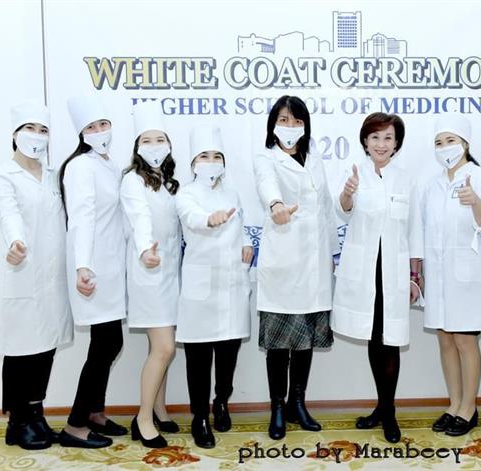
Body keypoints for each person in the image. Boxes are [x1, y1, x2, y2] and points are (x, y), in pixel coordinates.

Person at [332, 112, 423, 443]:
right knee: (374, 338)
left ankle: (388, 412)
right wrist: (348, 193)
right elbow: (342, 210)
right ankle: (382, 407)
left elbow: (415, 229)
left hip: (393, 271)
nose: (381, 144)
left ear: (396, 143)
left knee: (390, 340)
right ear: (365, 142)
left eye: (387, 138)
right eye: (375, 137)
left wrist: (415, 276)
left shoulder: (406, 179)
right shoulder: (353, 173)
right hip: (364, 272)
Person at [0, 100, 74, 450]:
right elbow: (7, 212)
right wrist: (16, 242)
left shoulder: (54, 176)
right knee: (21, 350)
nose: (37, 136)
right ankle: (17, 420)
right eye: (30, 129)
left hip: (54, 276)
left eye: (43, 130)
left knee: (46, 347)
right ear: (15, 134)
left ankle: (36, 415)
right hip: (24, 271)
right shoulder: (2, 174)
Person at [253, 95, 339, 440]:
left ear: (306, 126)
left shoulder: (314, 159)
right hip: (283, 263)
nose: (290, 127)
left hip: (315, 264)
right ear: (273, 124)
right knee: (279, 341)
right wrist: (276, 204)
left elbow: (326, 207)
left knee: (305, 340)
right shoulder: (266, 157)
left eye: (297, 121)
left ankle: (297, 403)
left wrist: (332, 253)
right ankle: (277, 406)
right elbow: (266, 185)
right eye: (284, 120)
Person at [421, 114, 481, 436]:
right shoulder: (432, 185)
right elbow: (425, 231)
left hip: (468, 275)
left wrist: (475, 202)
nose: (444, 147)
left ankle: (469, 407)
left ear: (465, 143)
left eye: (450, 140)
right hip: (439, 275)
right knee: (445, 339)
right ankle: (453, 404)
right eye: (439, 142)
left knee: (465, 341)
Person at [176, 125, 253, 448]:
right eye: (204, 156)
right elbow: (191, 217)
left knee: (228, 353)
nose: (211, 161)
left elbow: (241, 225)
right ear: (194, 162)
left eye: (216, 156)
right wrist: (209, 219)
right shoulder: (186, 194)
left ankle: (222, 401)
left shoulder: (232, 193)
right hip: (201, 288)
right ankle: (199, 417)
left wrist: (247, 243)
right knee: (198, 357)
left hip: (231, 284)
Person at [57, 96, 127, 448]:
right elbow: (81, 217)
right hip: (93, 267)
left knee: (110, 341)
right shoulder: (80, 166)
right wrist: (83, 265)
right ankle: (75, 425)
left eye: (103, 124)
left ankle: (95, 413)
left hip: (111, 265)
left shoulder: (109, 165)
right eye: (92, 127)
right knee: (106, 343)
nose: (100, 131)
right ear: (81, 133)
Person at [120, 101, 181, 448]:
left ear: (169, 145)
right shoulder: (132, 180)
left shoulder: (169, 182)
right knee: (165, 347)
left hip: (171, 274)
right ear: (137, 147)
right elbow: (139, 218)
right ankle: (142, 418)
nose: (155, 146)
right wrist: (146, 250)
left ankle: (160, 408)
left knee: (160, 348)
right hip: (148, 272)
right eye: (147, 140)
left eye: (160, 139)